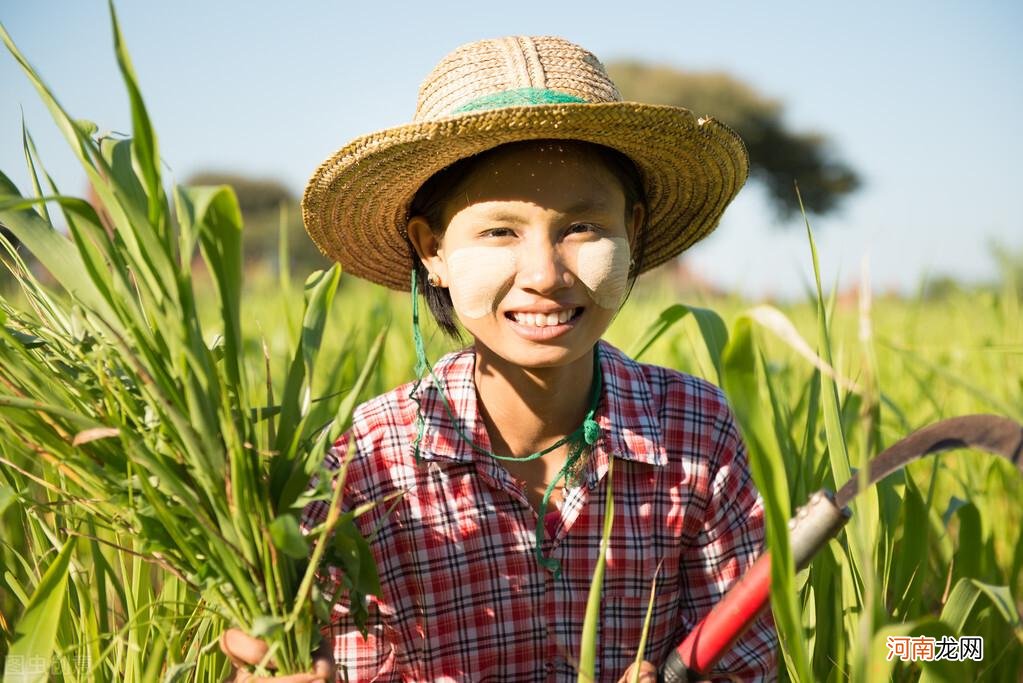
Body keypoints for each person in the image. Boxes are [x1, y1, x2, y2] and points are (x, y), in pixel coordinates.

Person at [223, 35, 776, 682]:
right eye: (498, 231)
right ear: (430, 250)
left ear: (633, 231)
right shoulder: (368, 463)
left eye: (582, 228)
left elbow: (745, 662)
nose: (544, 273)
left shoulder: (695, 433)